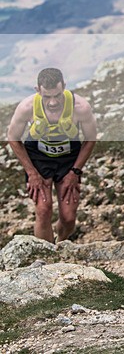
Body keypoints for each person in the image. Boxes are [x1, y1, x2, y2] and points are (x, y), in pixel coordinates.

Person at [6, 68, 97, 243]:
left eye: (57, 95)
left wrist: (75, 172)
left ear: (64, 86)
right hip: (38, 158)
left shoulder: (80, 107)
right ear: (38, 90)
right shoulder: (27, 107)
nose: (53, 102)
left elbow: (90, 139)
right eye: (47, 97)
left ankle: (59, 241)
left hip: (68, 158)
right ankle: (46, 259)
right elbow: (13, 138)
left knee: (69, 217)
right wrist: (32, 173)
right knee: (43, 209)